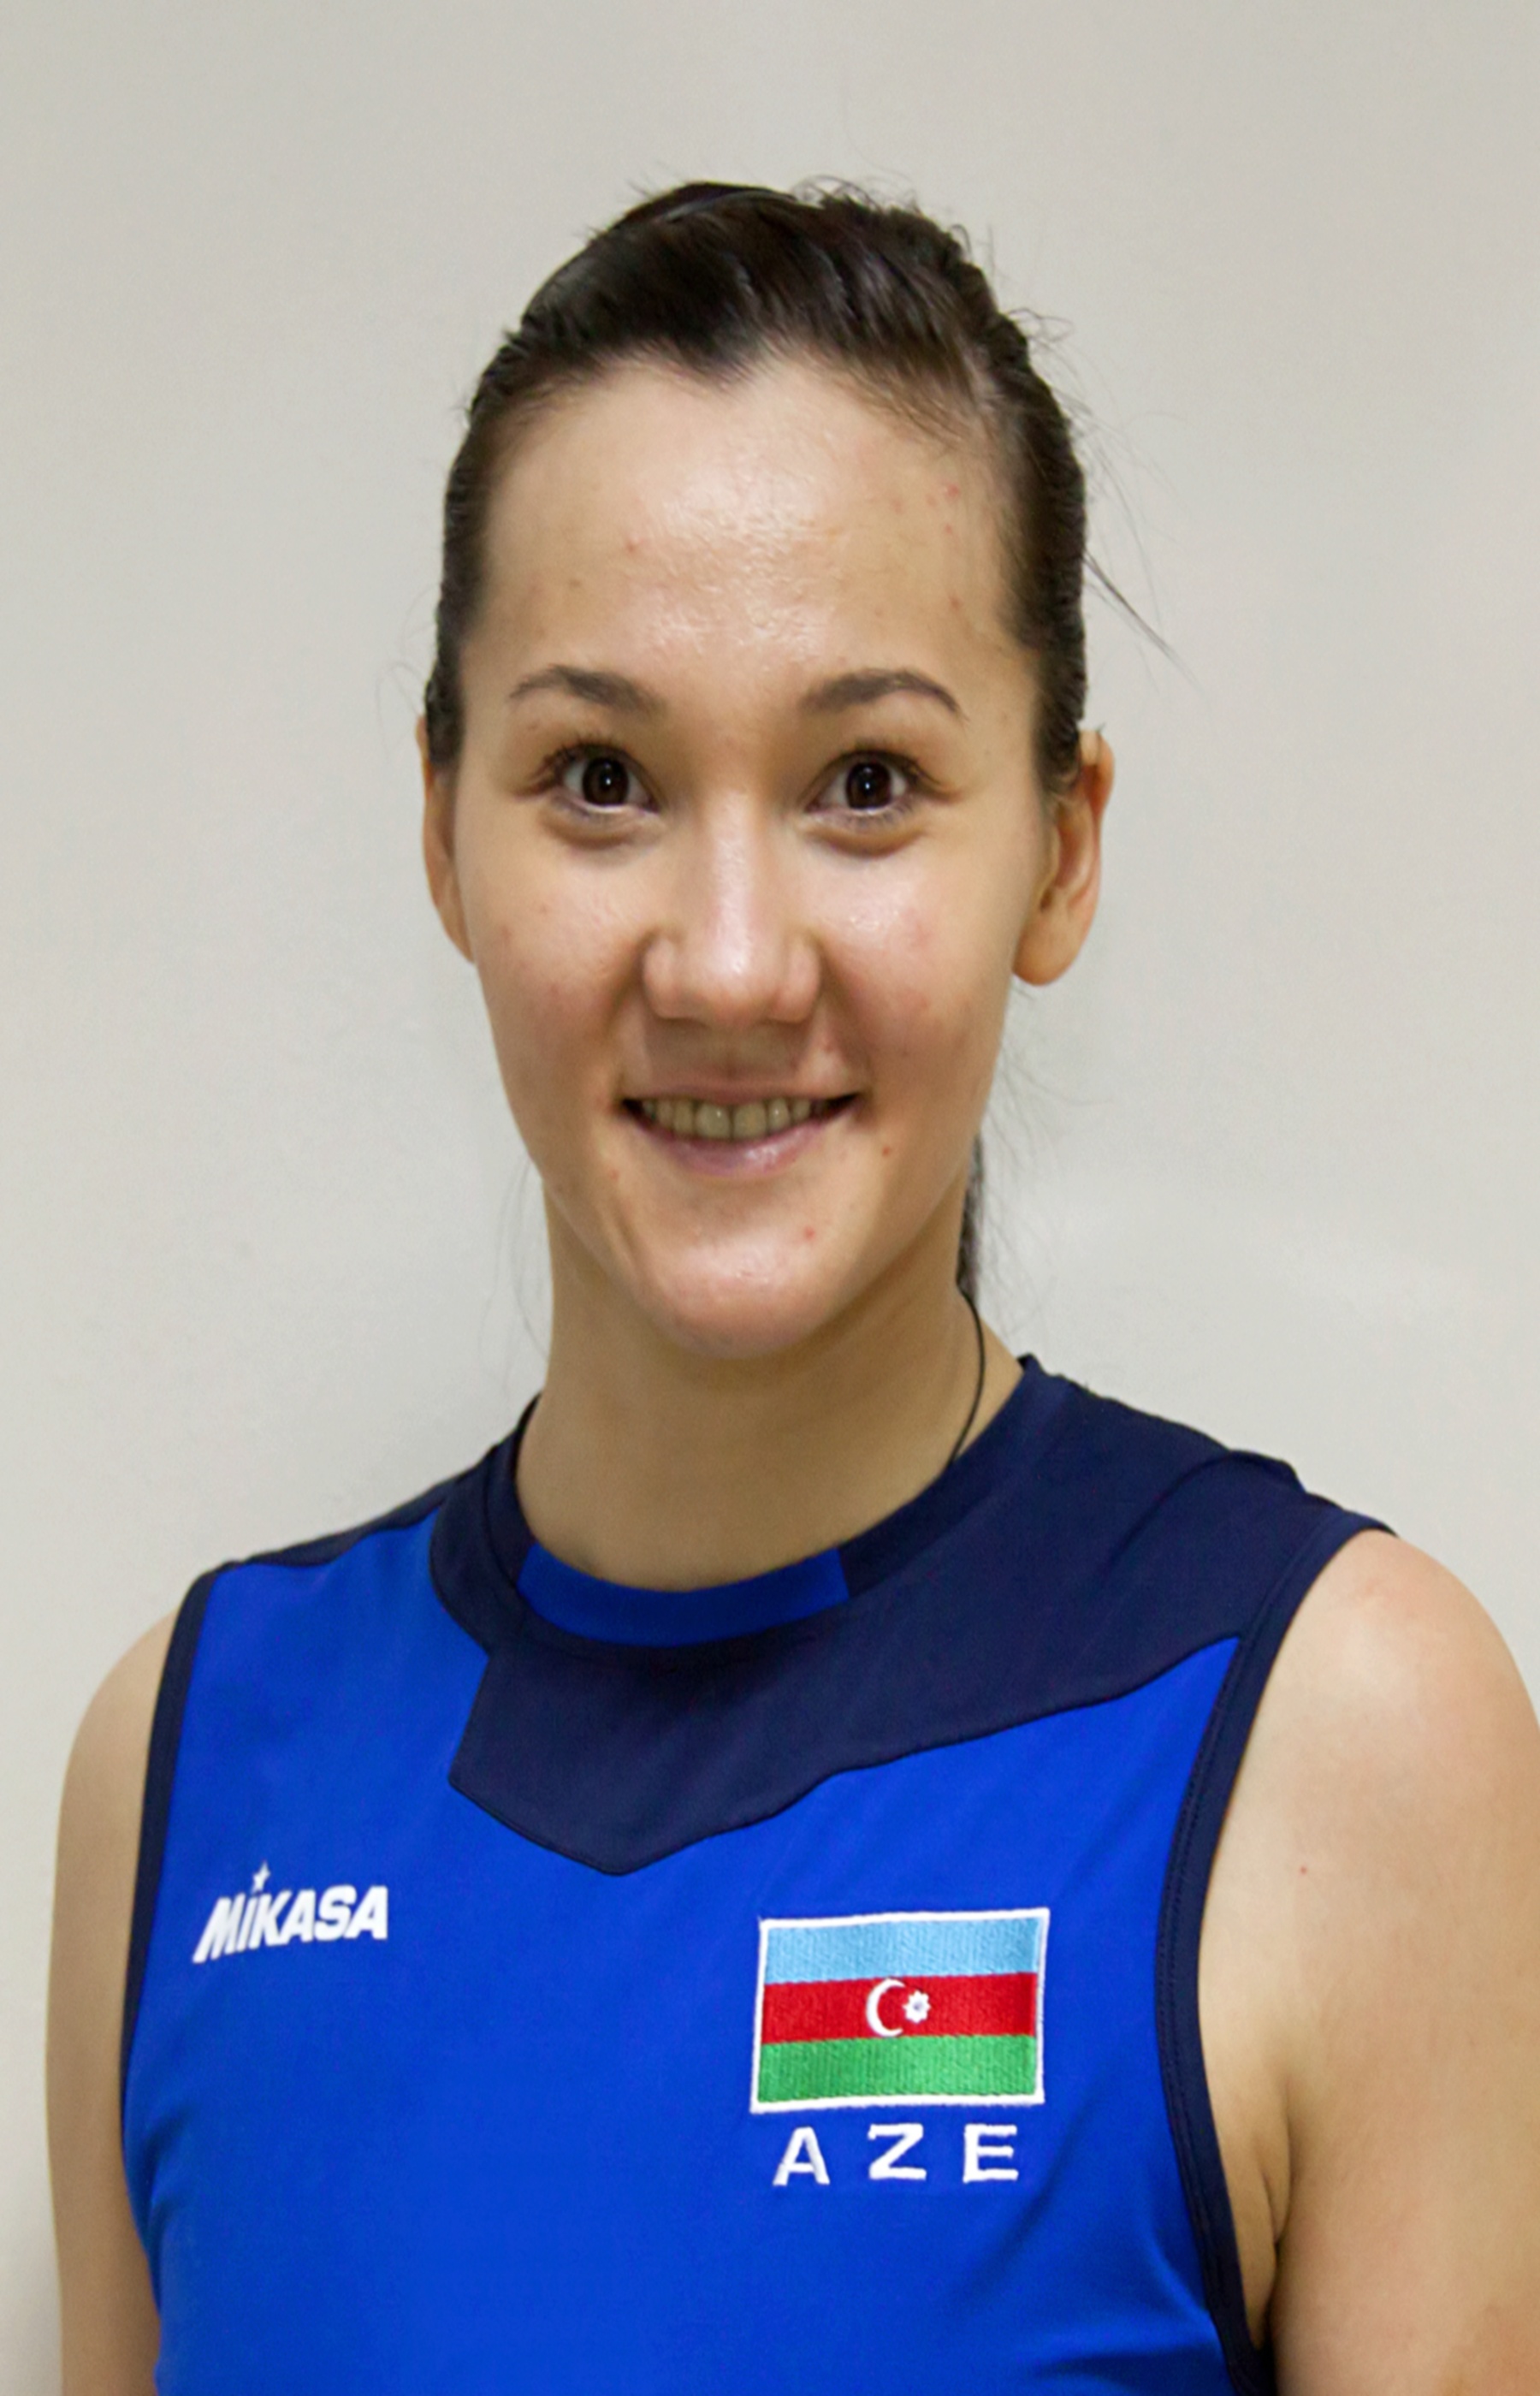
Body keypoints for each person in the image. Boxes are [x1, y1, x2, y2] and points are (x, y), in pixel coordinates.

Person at [48, 182, 1540, 2395]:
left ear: (1061, 846)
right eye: (601, 780)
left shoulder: (1339, 1735)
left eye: (867, 783)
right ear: (442, 829)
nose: (731, 963)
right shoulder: (182, 1768)